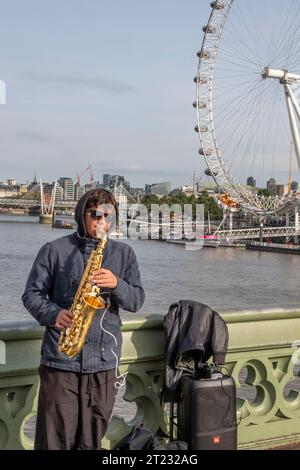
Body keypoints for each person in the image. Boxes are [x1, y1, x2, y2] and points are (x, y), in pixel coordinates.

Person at [22, 189, 145, 450]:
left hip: (103, 364)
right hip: (61, 362)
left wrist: (116, 284)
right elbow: (32, 294)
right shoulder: (54, 250)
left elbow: (136, 300)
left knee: (90, 443)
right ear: (82, 215)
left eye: (108, 215)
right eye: (95, 214)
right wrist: (54, 314)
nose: (102, 221)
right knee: (54, 442)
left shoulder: (124, 254)